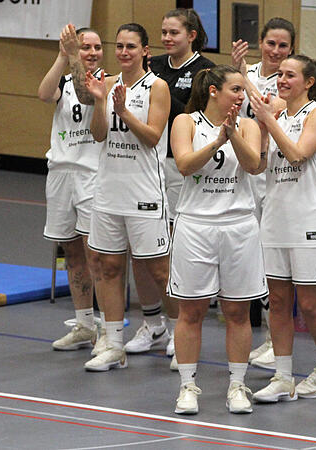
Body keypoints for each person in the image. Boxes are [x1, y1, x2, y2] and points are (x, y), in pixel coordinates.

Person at [169, 65, 265, 414]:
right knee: (191, 310)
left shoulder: (249, 125)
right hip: (196, 225)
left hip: (238, 225)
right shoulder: (187, 122)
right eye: (236, 89)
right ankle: (187, 386)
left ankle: (237, 385)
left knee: (237, 311)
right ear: (214, 91)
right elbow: (184, 165)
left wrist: (233, 135)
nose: (241, 96)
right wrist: (217, 142)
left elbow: (253, 165)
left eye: (242, 91)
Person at [249, 55, 316, 403]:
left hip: (310, 221)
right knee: (278, 302)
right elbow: (260, 166)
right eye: (280, 75)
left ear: (309, 82)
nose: (282, 80)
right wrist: (254, 133)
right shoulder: (275, 117)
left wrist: (269, 121)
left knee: (311, 304)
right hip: (275, 219)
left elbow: (298, 155)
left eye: (290, 75)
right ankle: (283, 377)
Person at [82, 23, 171, 371]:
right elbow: (97, 135)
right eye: (119, 46)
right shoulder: (105, 83)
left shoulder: (157, 86)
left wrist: (124, 112)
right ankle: (114, 344)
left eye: (131, 46)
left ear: (145, 50)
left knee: (159, 270)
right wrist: (100, 102)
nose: (123, 52)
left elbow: (152, 137)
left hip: (144, 191)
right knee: (108, 266)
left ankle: (178, 333)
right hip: (109, 190)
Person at [131, 7, 215, 365]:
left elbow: (198, 115)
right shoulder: (153, 66)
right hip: (147, 166)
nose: (166, 38)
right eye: (163, 32)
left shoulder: (205, 71)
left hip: (182, 166)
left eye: (174, 32)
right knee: (143, 249)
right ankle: (153, 323)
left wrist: (160, 92)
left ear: (191, 35)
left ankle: (182, 325)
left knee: (172, 251)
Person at [230, 17, 295, 370]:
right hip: (243, 174)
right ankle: (266, 338)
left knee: (272, 263)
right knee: (252, 257)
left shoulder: (289, 79)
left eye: (283, 45)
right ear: (260, 42)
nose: (275, 51)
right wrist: (239, 73)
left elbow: (266, 109)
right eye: (270, 43)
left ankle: (274, 340)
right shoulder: (246, 72)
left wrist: (242, 74)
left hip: (274, 177)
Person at [37, 24, 103, 352]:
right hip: (61, 173)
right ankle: (85, 324)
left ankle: (109, 328)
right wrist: (63, 56)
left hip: (92, 174)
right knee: (72, 252)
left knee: (96, 255)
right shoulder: (63, 80)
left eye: (96, 47)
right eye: (85, 46)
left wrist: (74, 56)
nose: (91, 52)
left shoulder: (107, 81)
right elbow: (43, 93)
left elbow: (87, 94)